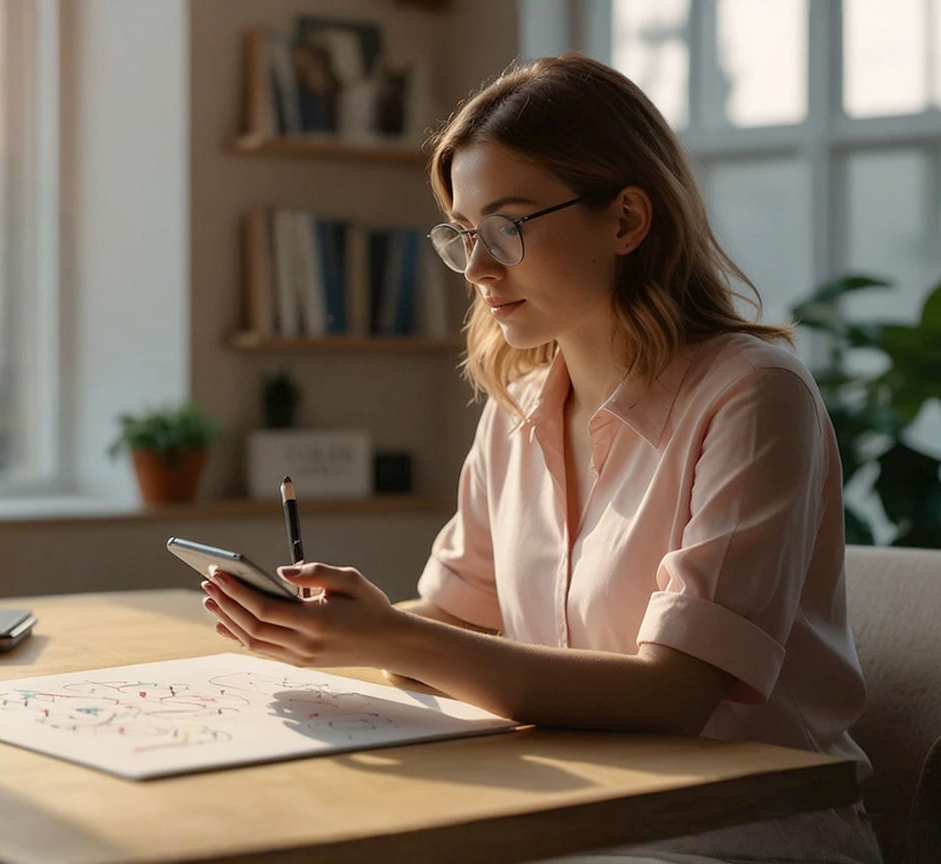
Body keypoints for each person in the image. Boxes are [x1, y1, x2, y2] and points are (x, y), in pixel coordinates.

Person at [201, 53, 883, 864]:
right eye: (463, 235)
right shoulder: (518, 405)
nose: (480, 268)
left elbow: (675, 694)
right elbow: (454, 620)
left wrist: (391, 640)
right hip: (573, 804)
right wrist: (331, 632)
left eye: (507, 227)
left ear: (627, 220)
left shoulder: (753, 395)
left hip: (735, 833)